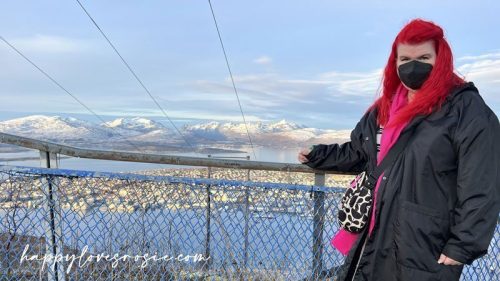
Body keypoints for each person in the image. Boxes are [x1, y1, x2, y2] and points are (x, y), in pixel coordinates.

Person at [298, 18, 500, 281]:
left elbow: (481, 183)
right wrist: (317, 154)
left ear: (441, 59)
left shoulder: (465, 110)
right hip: (374, 233)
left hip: (425, 246)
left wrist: (462, 246)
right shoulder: (384, 109)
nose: (413, 66)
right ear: (394, 63)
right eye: (404, 59)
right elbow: (362, 153)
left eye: (424, 57)